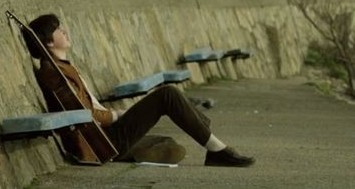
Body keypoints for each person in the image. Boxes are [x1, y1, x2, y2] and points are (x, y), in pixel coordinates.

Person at [29, 13, 255, 167]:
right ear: (49, 42)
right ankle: (216, 150)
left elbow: (89, 107)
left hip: (108, 134)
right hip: (104, 143)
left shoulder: (64, 67)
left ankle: (147, 150)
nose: (65, 31)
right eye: (59, 29)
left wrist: (115, 114)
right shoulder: (54, 73)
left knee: (166, 141)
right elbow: (86, 115)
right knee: (167, 94)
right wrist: (118, 114)